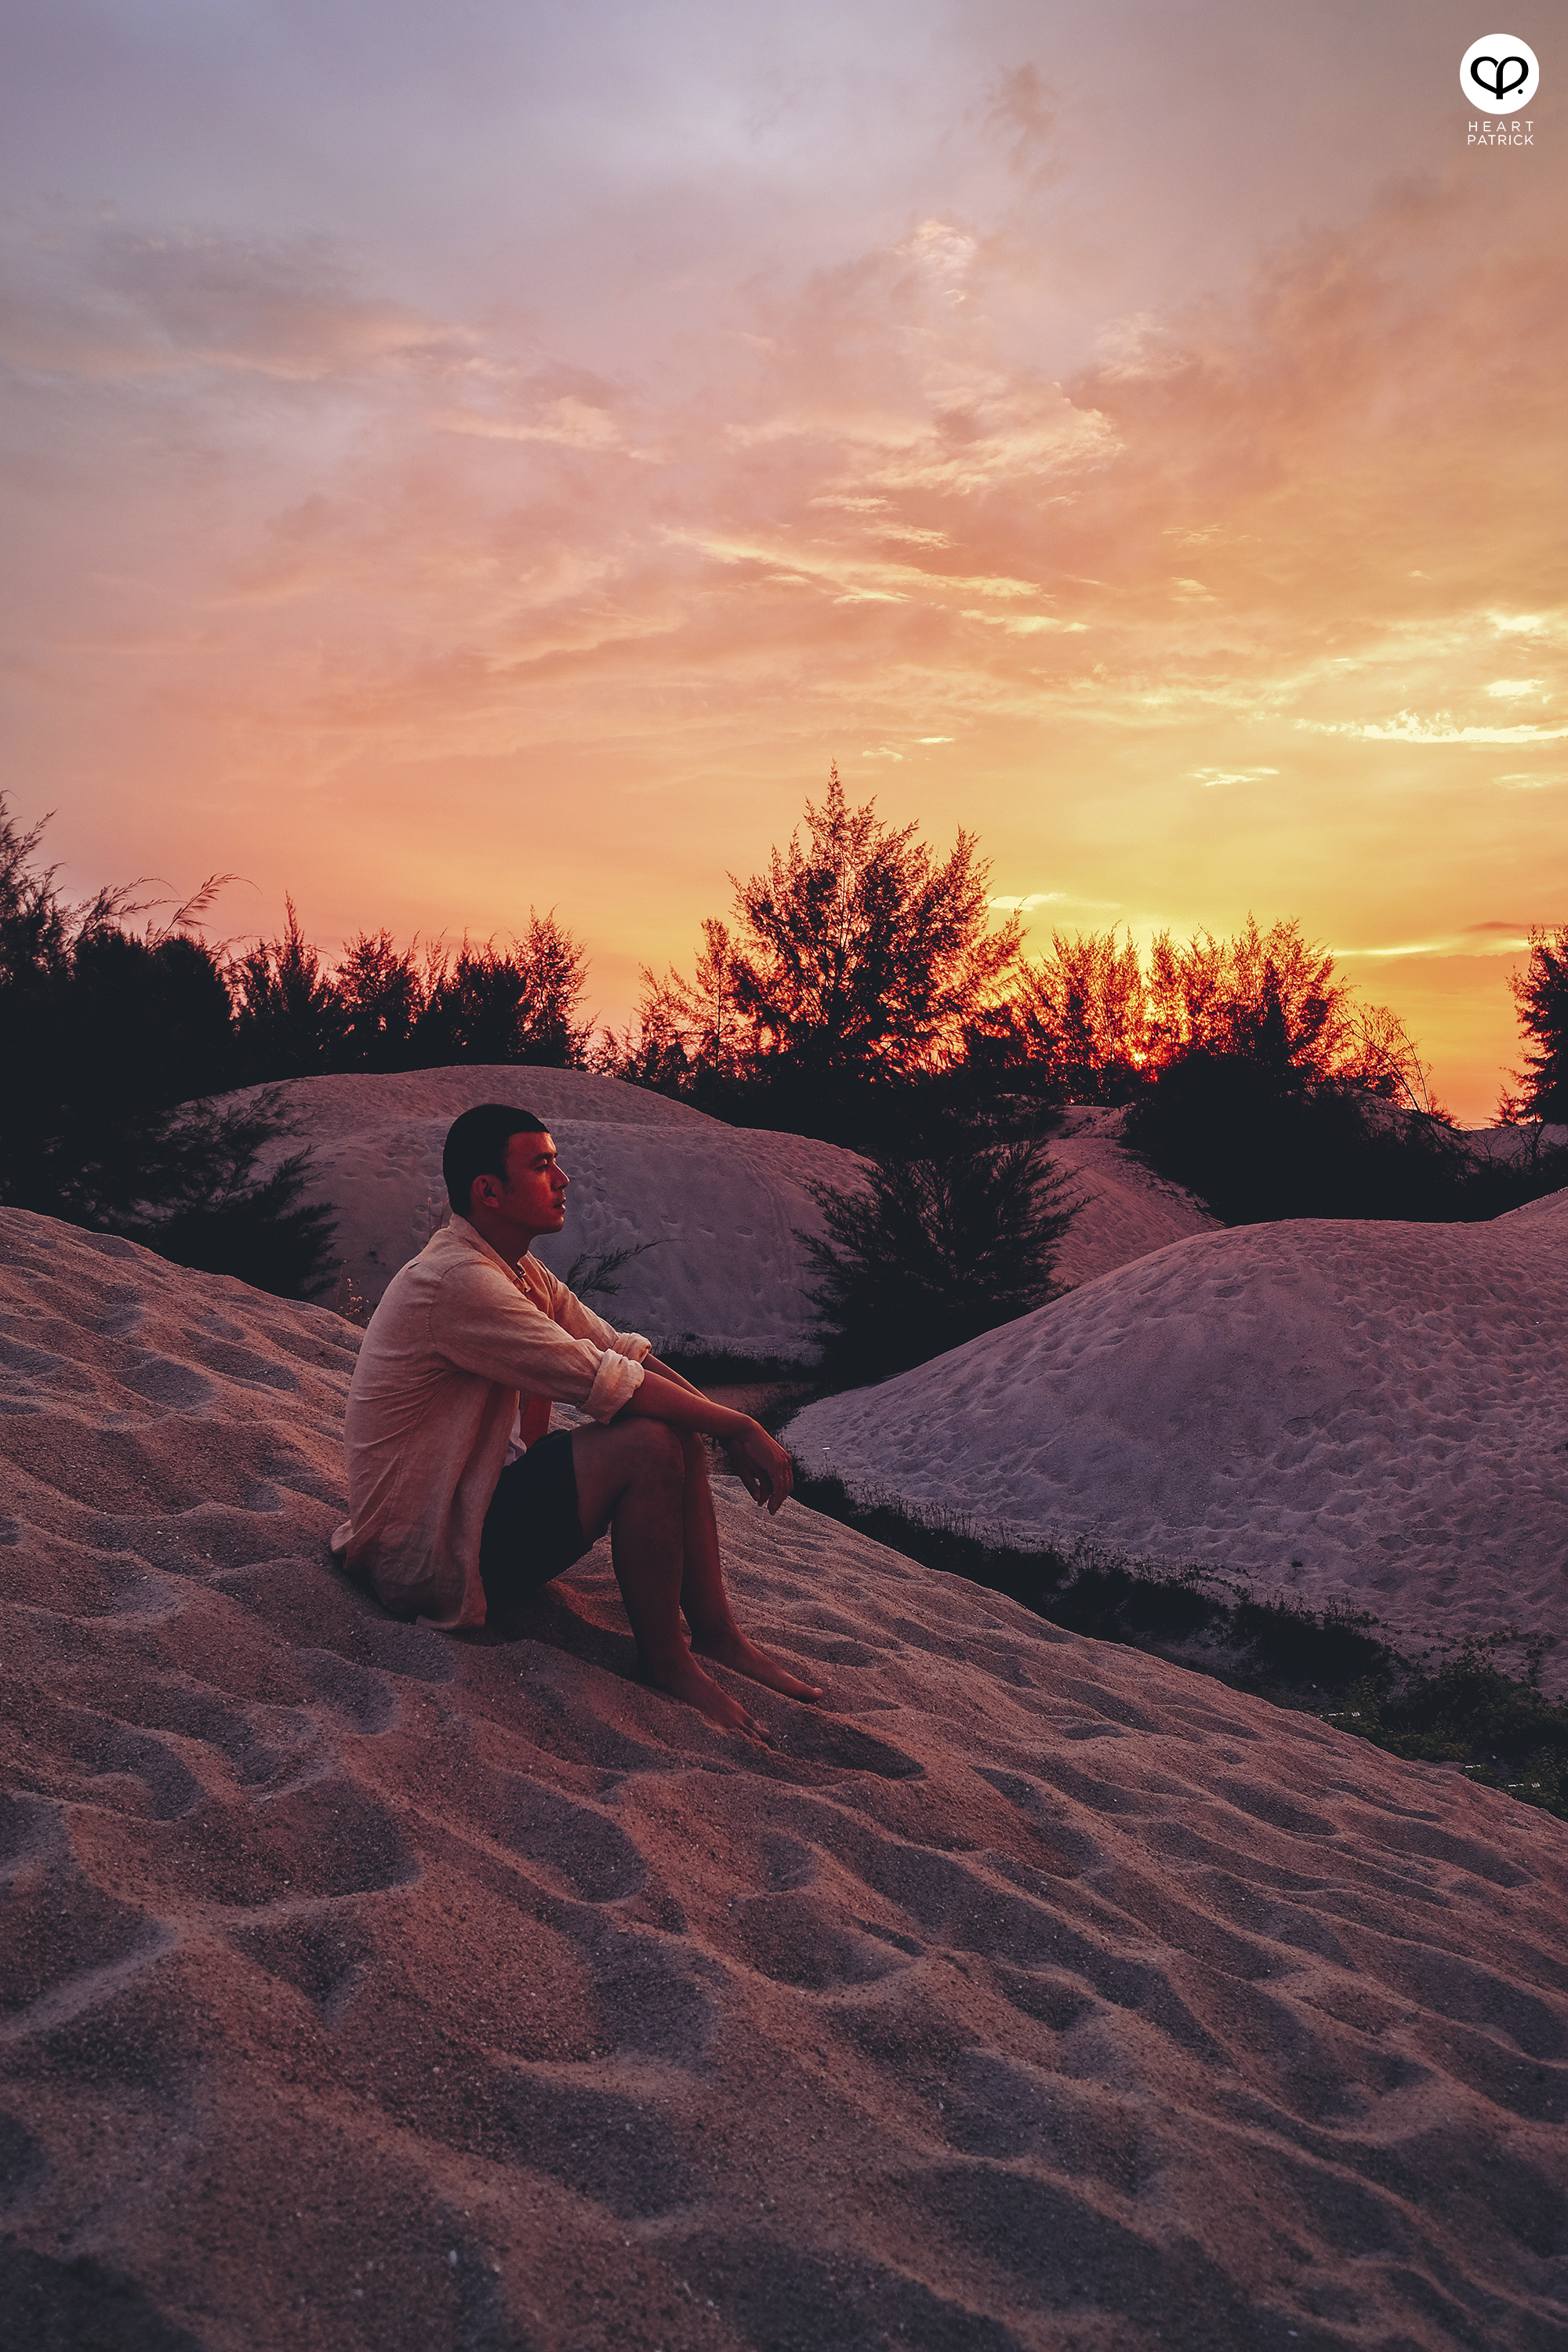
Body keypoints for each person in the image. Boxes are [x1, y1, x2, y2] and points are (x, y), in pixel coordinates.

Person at [332, 1102, 821, 1742]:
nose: (563, 1180)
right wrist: (739, 1427)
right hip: (426, 1555)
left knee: (673, 1425)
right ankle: (666, 1663)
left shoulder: (516, 1268)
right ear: (489, 1192)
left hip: (472, 1505)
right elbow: (603, 1385)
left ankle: (717, 1634)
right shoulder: (457, 1281)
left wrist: (718, 1422)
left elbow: (622, 1353)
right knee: (647, 1442)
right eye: (541, 1166)